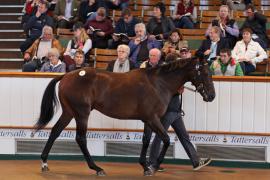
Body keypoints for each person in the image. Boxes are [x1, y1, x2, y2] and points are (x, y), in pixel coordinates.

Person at [148, 52, 211, 172]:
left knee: (183, 137)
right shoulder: (166, 74)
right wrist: (177, 90)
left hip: (175, 111)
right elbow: (165, 91)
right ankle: (152, 163)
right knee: (160, 136)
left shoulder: (169, 73)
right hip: (168, 111)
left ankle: (195, 161)